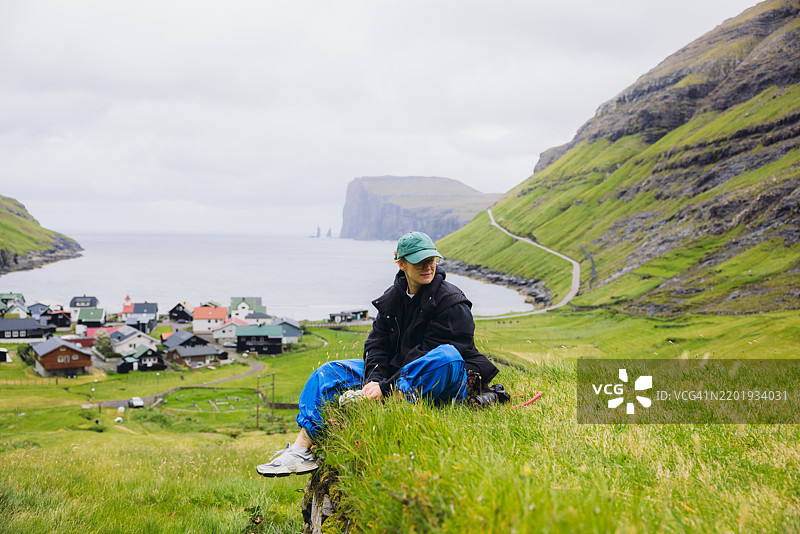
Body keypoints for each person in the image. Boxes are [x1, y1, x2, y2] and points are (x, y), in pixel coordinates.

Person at [256, 231, 499, 477]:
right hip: (395, 371)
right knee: (327, 373)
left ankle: (383, 401)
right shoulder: (391, 299)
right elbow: (377, 344)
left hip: (448, 378)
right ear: (401, 263)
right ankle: (301, 450)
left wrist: (385, 386)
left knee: (445, 356)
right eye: (419, 261)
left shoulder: (452, 302)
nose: (428, 266)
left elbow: (434, 354)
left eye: (432, 260)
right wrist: (373, 378)